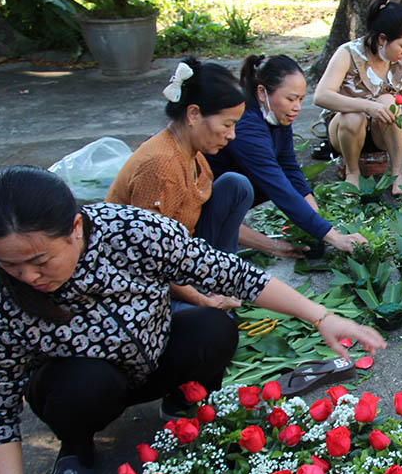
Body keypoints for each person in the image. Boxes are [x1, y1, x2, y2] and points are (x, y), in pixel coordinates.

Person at [0, 166, 385, 474]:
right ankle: (77, 448)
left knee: (214, 328)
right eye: (10, 264)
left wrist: (321, 317)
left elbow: (230, 274)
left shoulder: (131, 232)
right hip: (76, 386)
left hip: (153, 356)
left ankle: (183, 403)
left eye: (39, 261)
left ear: (75, 228)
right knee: (88, 382)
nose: (27, 277)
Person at [107, 57, 303, 310]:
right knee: (214, 328)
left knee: (236, 185)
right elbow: (150, 261)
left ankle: (220, 277)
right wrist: (205, 301)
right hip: (140, 277)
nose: (232, 135)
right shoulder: (161, 166)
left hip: (179, 255)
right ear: (194, 114)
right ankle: (207, 292)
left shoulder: (195, 154)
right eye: (227, 124)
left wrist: (272, 246)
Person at [207, 54, 367, 254]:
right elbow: (278, 186)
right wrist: (334, 238)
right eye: (290, 99)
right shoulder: (247, 127)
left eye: (300, 99)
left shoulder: (276, 116)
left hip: (239, 186)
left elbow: (289, 167)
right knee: (255, 185)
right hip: (212, 197)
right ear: (262, 93)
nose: (297, 107)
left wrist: (316, 216)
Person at [312, 0, 402, 196]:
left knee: (390, 103)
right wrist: (365, 106)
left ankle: (397, 174)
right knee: (354, 115)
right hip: (345, 130)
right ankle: (352, 174)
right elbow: (321, 96)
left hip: (380, 134)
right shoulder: (347, 54)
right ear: (382, 39)